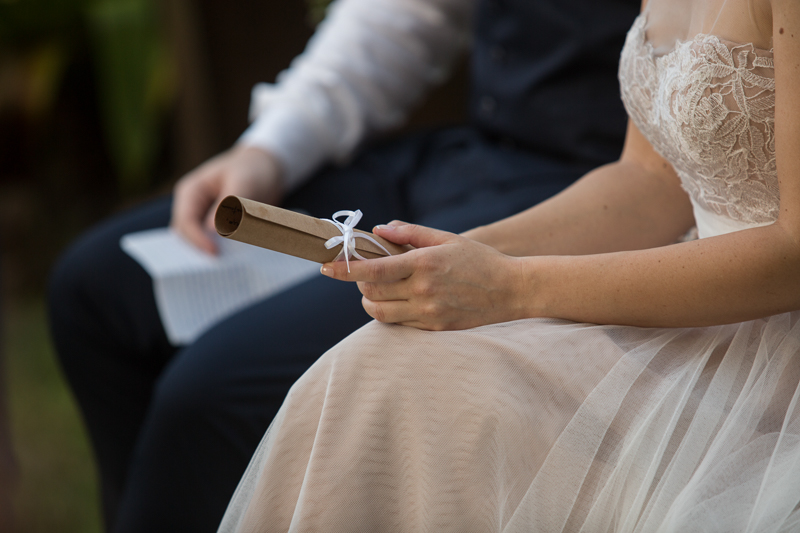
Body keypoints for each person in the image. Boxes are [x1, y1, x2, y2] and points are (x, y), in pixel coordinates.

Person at [46, 0, 641, 531]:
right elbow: (408, 13)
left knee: (210, 392)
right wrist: (270, 149)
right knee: (97, 289)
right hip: (468, 156)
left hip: (586, 195)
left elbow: (658, 179)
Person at [216, 0, 800, 530]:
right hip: (684, 299)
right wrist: (459, 252)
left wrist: (511, 285)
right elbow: (650, 183)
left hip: (773, 340)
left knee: (404, 391)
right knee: (361, 370)